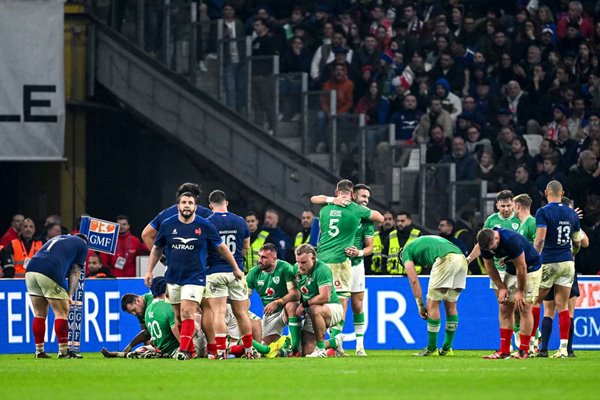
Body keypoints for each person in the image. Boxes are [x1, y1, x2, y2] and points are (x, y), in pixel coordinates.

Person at [144, 191, 242, 360]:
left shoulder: (205, 225)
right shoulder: (168, 224)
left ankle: (183, 350)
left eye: (190, 202)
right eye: (184, 202)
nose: (187, 205)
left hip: (195, 277)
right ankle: (191, 351)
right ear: (179, 206)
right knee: (178, 318)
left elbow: (221, 248)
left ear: (195, 206)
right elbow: (157, 249)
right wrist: (149, 271)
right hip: (173, 277)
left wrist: (235, 267)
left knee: (187, 312)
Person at [311, 179, 383, 354]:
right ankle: (336, 341)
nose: (365, 199)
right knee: (337, 301)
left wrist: (357, 252)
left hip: (356, 264)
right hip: (341, 262)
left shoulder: (364, 218)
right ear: (353, 195)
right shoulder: (354, 210)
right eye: (363, 196)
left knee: (357, 305)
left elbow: (369, 248)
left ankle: (359, 346)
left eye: (368, 197)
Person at [533, 181, 583, 358]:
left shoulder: (543, 212)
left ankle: (533, 345)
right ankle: (563, 349)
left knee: (535, 302)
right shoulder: (571, 213)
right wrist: (571, 253)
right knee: (563, 307)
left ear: (546, 192)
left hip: (549, 261)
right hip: (567, 263)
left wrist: (534, 258)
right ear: (562, 192)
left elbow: (539, 240)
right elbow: (577, 242)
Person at [203, 190, 254, 359]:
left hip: (215, 272)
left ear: (210, 205)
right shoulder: (240, 221)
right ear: (227, 203)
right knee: (241, 313)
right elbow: (246, 246)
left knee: (218, 312)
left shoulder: (207, 222)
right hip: (237, 272)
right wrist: (237, 261)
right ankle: (248, 350)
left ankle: (220, 352)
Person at [478, 228, 542, 359]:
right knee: (505, 307)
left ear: (496, 238)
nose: (491, 250)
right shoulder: (484, 243)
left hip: (530, 269)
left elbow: (522, 267)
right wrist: (501, 287)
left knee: (524, 307)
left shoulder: (511, 240)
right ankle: (504, 351)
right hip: (511, 269)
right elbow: (489, 267)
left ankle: (524, 350)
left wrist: (520, 291)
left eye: (492, 247)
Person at [401, 236, 468, 356]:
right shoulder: (422, 243)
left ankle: (432, 349)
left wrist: (420, 305)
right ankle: (447, 349)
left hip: (446, 259)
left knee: (433, 303)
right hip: (461, 259)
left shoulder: (405, 252)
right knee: (451, 304)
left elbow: (413, 280)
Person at [25, 234, 88, 358]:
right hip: (50, 270)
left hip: (31, 269)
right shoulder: (83, 245)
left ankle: (39, 351)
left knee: (39, 313)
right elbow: (75, 271)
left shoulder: (60, 238)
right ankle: (63, 351)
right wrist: (69, 294)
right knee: (62, 312)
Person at [246, 243, 299, 355]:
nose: (259, 260)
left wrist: (277, 302)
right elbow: (245, 298)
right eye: (259, 256)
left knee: (292, 306)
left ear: (274, 258)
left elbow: (295, 294)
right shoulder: (253, 273)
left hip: (285, 309)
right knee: (268, 347)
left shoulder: (285, 268)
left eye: (264, 257)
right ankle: (286, 349)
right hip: (270, 314)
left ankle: (295, 347)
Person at [294, 244, 344, 357]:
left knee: (314, 308)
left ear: (313, 258)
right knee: (307, 351)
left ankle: (321, 349)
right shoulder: (296, 269)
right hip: (311, 311)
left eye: (303, 262)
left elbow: (324, 297)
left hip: (332, 308)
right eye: (298, 262)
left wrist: (304, 304)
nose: (300, 266)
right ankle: (335, 342)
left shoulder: (322, 269)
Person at [141, 182, 211, 252]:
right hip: (199, 261)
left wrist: (162, 258)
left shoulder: (166, 214)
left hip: (174, 260)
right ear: (197, 198)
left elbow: (146, 235)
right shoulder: (206, 214)